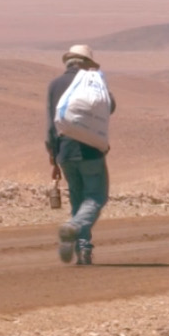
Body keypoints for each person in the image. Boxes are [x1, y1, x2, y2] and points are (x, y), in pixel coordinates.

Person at [46, 44, 115, 264]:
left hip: (65, 152)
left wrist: (53, 156)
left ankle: (82, 251)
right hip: (91, 151)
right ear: (86, 64)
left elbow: (51, 125)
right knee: (96, 196)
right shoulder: (93, 83)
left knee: (77, 200)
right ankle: (75, 228)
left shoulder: (55, 85)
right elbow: (110, 106)